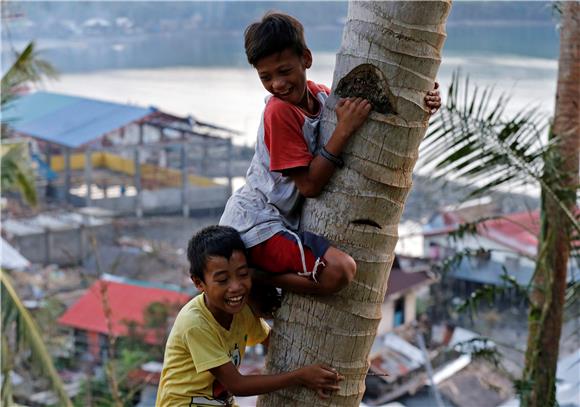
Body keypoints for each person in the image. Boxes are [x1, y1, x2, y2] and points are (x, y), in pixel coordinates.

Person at [220, 12, 441, 296]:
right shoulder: (279, 111)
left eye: (284, 71)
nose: (277, 84)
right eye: (266, 77)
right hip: (256, 226)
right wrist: (343, 130)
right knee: (339, 271)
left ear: (306, 60)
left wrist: (424, 96)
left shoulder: (321, 97)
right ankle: (258, 277)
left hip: (276, 223)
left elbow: (377, 108)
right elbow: (309, 186)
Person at [156, 225, 343, 406]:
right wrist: (301, 376)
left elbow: (273, 341)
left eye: (243, 274)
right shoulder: (195, 323)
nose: (236, 287)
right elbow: (237, 385)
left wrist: (322, 363)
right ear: (199, 283)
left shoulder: (242, 312)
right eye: (222, 280)